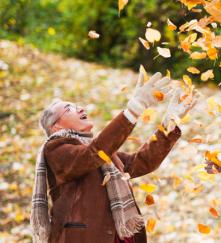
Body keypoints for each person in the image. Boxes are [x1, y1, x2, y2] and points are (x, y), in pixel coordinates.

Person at [31, 71, 197, 243]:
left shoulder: (101, 153)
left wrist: (170, 124)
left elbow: (141, 162)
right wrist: (134, 109)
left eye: (77, 106)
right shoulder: (55, 149)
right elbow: (92, 155)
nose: (80, 108)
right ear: (55, 126)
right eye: (69, 109)